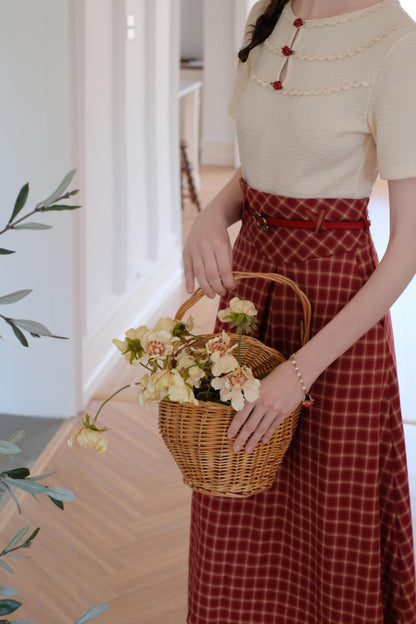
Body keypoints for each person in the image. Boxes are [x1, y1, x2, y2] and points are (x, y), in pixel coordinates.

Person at [182, 0, 416, 622]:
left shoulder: (397, 44)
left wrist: (301, 371)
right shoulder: (270, 11)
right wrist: (211, 214)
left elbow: (410, 247)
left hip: (338, 313)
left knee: (329, 526)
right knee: (234, 496)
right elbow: (261, 163)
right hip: (252, 299)